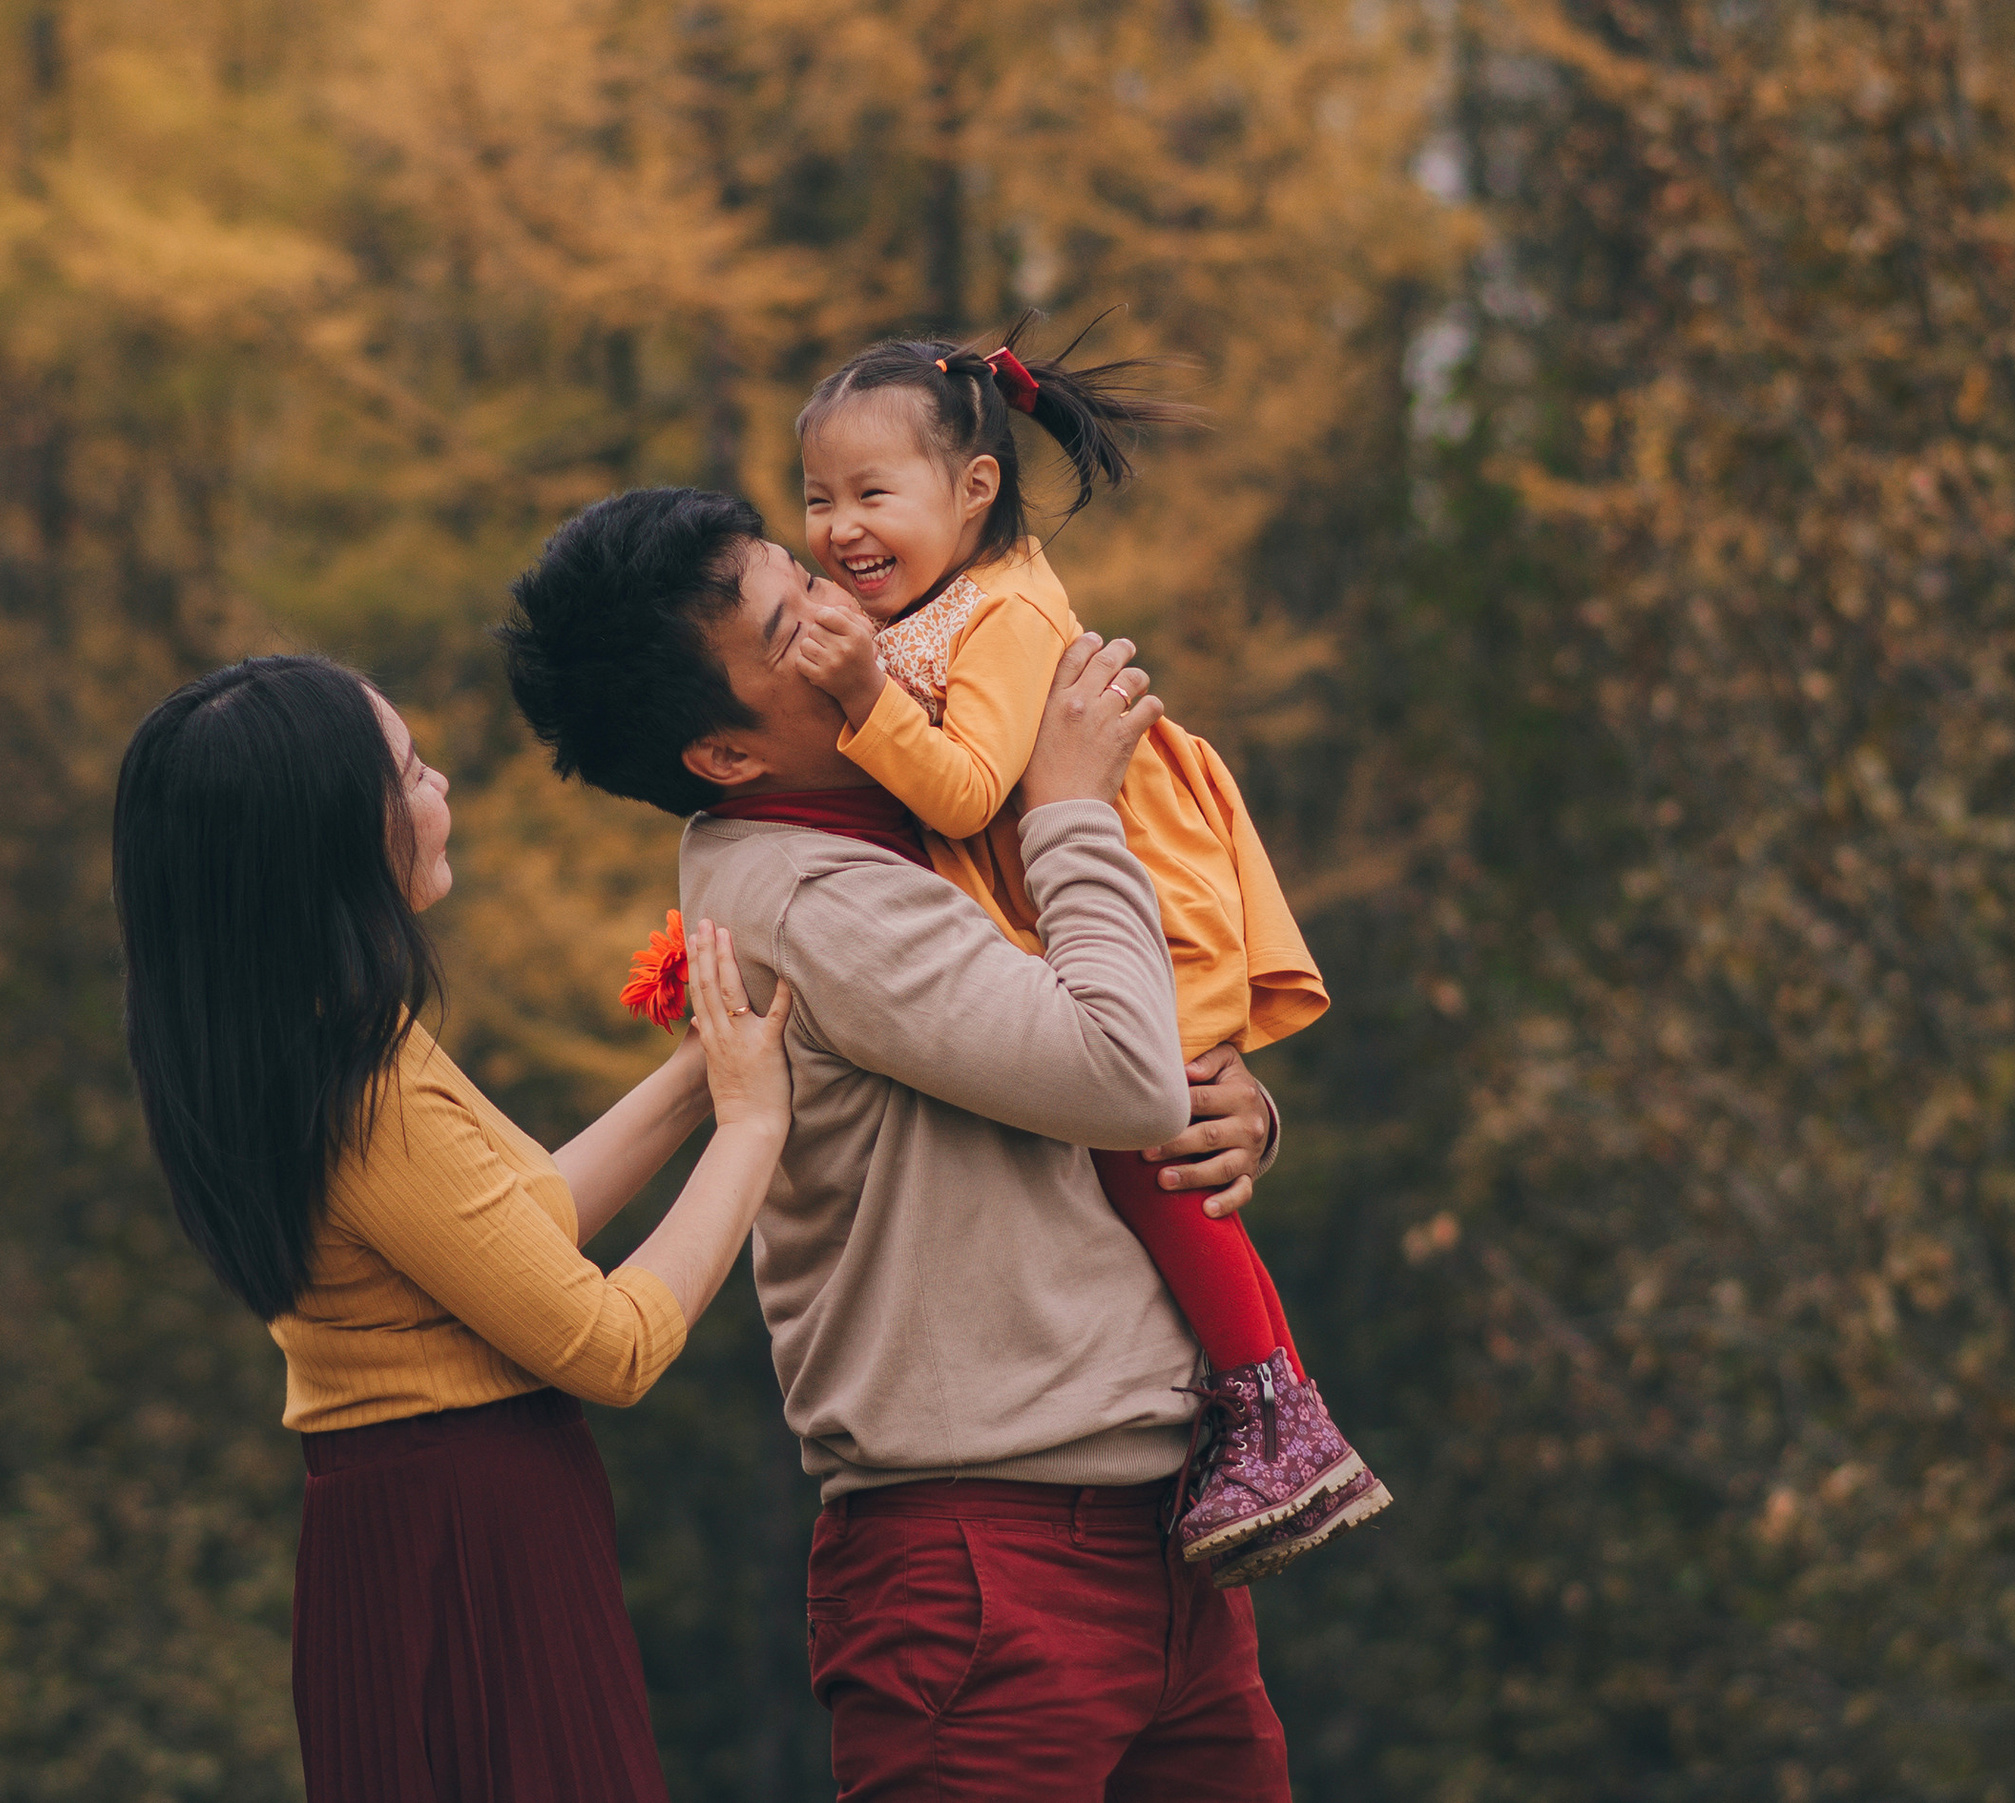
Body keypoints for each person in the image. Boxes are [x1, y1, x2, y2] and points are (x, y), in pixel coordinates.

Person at [501, 489, 1296, 1799]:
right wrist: (1072, 804)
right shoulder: (807, 893)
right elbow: (1112, 1069)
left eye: (809, 576)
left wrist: (1242, 1104)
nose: (845, 610)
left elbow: (1129, 1057)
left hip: (1164, 1530)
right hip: (988, 1560)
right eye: (790, 624)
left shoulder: (911, 808)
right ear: (724, 755)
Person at [111, 653, 794, 1803]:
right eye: (413, 772)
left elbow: (522, 1228)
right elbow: (608, 1344)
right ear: (332, 842)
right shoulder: (364, 1088)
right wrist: (749, 1125)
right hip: (469, 1542)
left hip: (395, 1532)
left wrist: (693, 1080)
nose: (441, 793)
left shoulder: (301, 1045)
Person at [786, 328, 1388, 1579]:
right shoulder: (930, 603)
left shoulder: (1002, 616)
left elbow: (958, 794)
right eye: (817, 500)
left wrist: (860, 700)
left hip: (1138, 892)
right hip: (1073, 894)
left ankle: (1271, 1400)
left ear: (973, 491)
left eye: (871, 495)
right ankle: (1258, 1395)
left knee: (1143, 1151)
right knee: (1142, 1142)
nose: (840, 529)